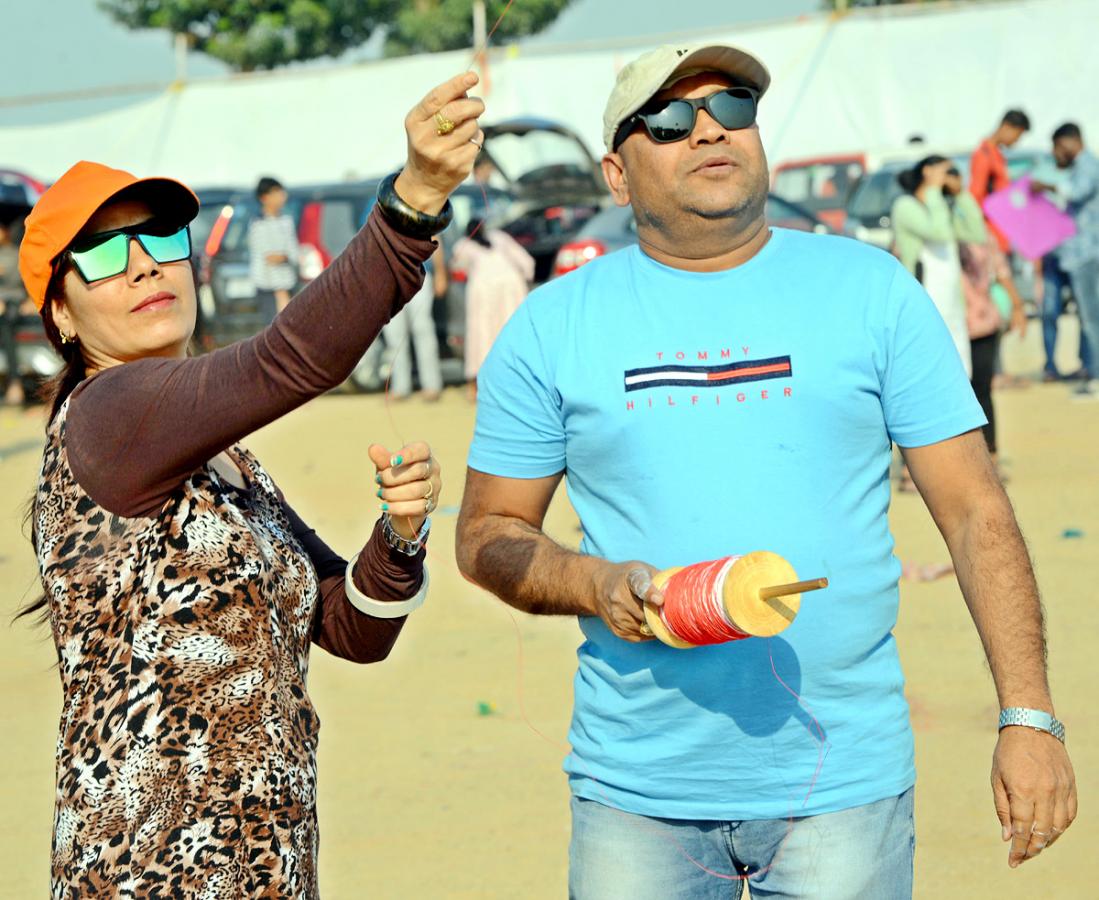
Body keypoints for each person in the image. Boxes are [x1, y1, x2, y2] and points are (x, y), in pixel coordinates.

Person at [455, 44, 1076, 899]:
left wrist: (1028, 718)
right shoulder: (549, 326)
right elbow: (488, 535)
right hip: (636, 792)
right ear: (616, 173)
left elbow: (975, 514)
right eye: (669, 120)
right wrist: (592, 584)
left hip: (843, 788)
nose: (709, 130)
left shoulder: (870, 289)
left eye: (733, 107)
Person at [16, 71, 483, 896]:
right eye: (101, 253)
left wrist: (400, 535)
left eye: (161, 238)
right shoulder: (108, 415)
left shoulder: (226, 462)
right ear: (59, 313)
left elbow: (352, 629)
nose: (141, 267)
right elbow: (292, 358)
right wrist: (411, 205)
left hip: (264, 865)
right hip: (145, 873)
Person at [946, 166, 1025, 467]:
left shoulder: (978, 229)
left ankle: (990, 455)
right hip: (944, 324)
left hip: (980, 322)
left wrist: (1017, 306)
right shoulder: (927, 231)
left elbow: (1000, 269)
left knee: (982, 390)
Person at [891, 155, 986, 375]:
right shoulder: (905, 205)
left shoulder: (941, 208)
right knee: (931, 363)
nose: (948, 177)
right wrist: (934, 191)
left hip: (952, 300)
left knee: (959, 367)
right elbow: (940, 233)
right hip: (925, 296)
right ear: (927, 172)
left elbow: (977, 233)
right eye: (945, 171)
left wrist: (960, 194)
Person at [1032, 123, 1099, 398]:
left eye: (1059, 146)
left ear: (1071, 142)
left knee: (1091, 319)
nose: (1057, 152)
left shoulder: (1088, 166)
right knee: (1084, 317)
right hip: (1069, 255)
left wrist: (1046, 184)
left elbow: (1075, 191)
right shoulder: (1077, 167)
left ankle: (1095, 376)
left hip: (1085, 255)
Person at [451, 217, 534, 401]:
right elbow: (527, 263)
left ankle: (475, 386)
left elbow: (458, 268)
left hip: (484, 291)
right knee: (513, 335)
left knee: (481, 336)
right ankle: (518, 385)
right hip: (511, 288)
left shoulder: (462, 245)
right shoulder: (500, 237)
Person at [381, 244, 445, 401]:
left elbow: (435, 237)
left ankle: (432, 385)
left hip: (419, 272)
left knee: (422, 329)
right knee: (394, 334)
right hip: (389, 276)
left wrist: (441, 273)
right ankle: (400, 386)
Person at [970, 109, 1031, 252]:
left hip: (1001, 231)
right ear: (1007, 127)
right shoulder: (983, 155)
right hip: (990, 233)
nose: (1016, 141)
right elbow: (976, 194)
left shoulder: (996, 154)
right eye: (1017, 136)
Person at [248, 175, 299, 318]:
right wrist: (280, 290)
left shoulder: (287, 221)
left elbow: (294, 253)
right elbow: (269, 257)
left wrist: (286, 257)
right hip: (268, 286)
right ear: (264, 198)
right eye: (276, 193)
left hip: (288, 283)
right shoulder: (258, 225)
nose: (282, 196)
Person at [0, 218, 25, 405]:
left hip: (13, 300)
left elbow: (18, 280)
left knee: (6, 322)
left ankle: (15, 382)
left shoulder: (15, 253)